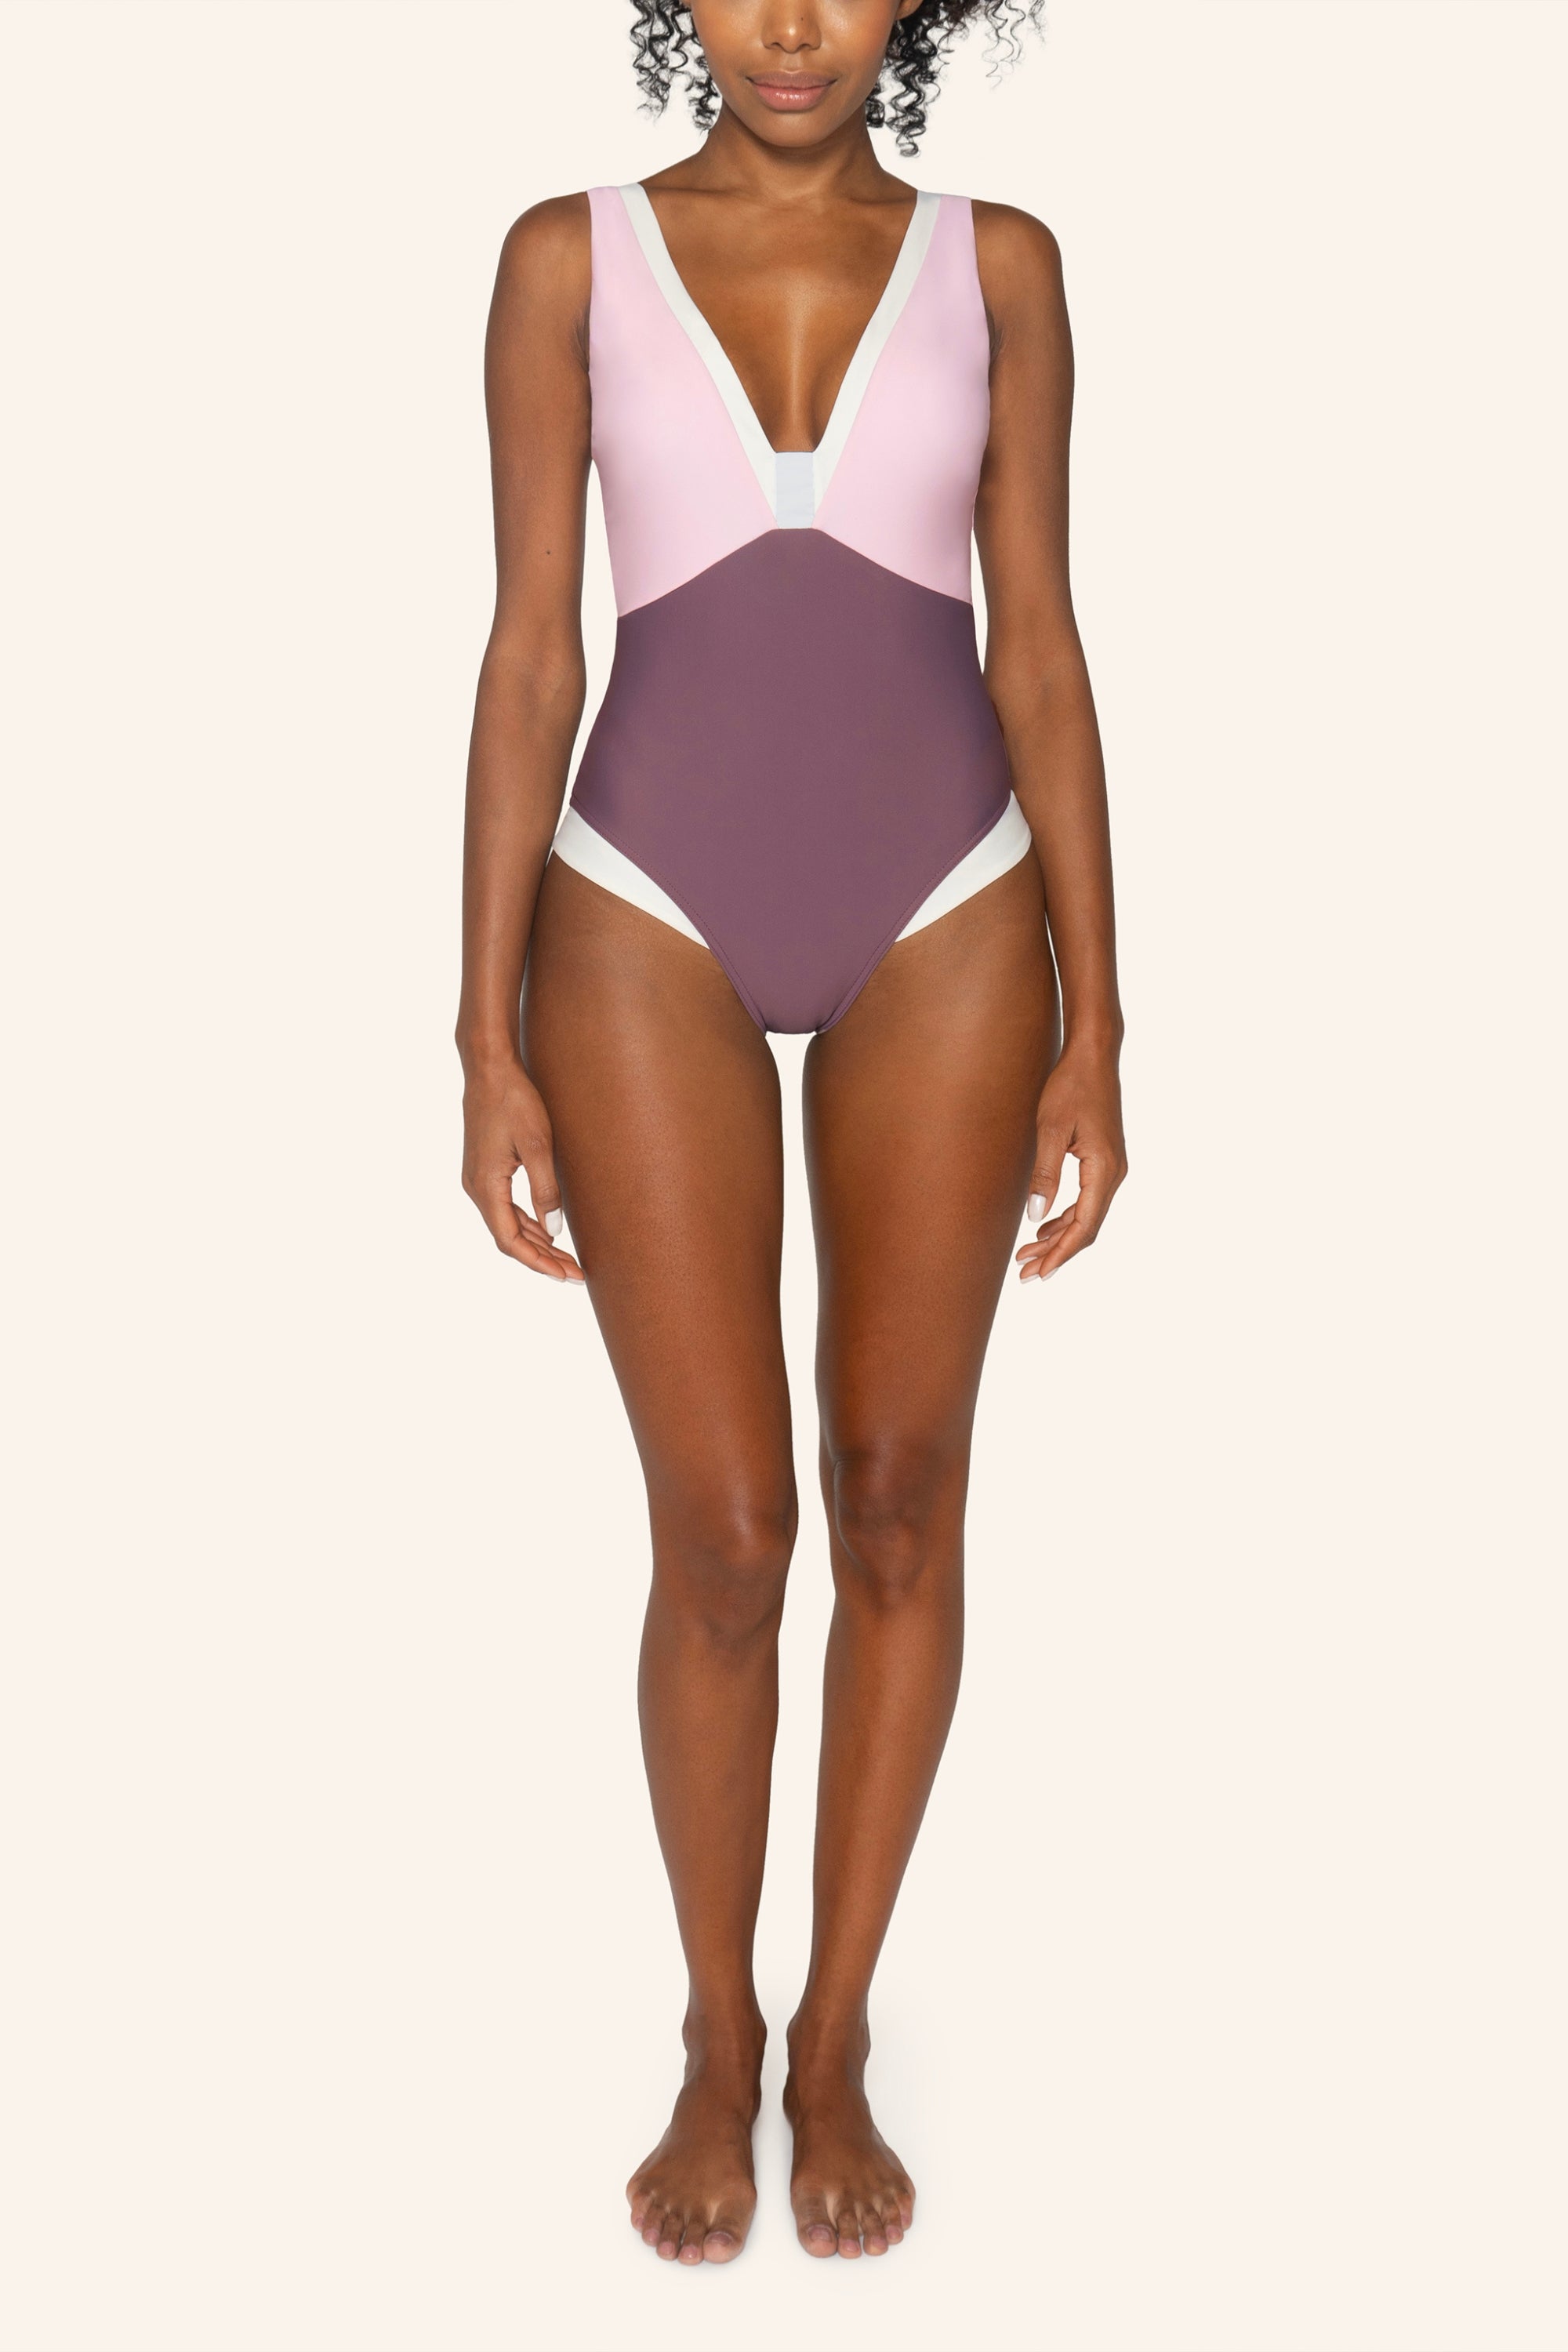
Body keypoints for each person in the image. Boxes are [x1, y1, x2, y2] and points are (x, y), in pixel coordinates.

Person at [456, 0, 1126, 2268]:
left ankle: (830, 2033)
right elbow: (529, 656)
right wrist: (481, 1036)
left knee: (902, 1495)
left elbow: (1040, 649)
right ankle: (708, 2023)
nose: (792, 28)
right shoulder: (566, 256)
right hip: (639, 900)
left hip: (954, 899)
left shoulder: (1002, 264)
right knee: (730, 1532)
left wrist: (1101, 1024)